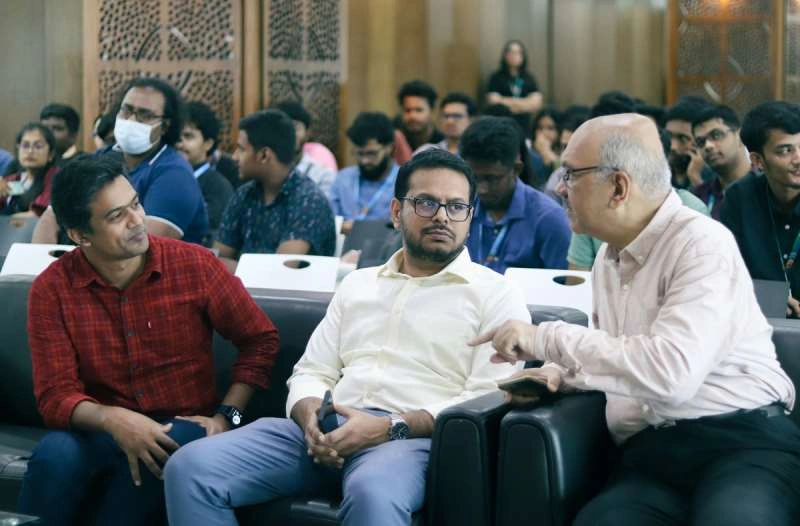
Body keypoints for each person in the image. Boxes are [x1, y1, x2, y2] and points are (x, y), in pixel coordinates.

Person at [163, 149, 530, 526]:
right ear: (396, 211)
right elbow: (312, 370)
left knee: (373, 494)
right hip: (323, 430)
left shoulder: (495, 294)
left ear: (470, 217)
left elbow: (487, 395)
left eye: (456, 206)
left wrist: (391, 426)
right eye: (426, 202)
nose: (441, 216)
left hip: (407, 441)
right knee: (190, 467)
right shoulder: (359, 284)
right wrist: (309, 417)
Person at [474, 113, 800, 526]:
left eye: (571, 175)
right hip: (651, 456)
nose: (559, 187)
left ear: (619, 187)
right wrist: (560, 374)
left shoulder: (700, 243)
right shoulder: (609, 257)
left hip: (743, 442)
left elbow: (671, 372)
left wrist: (545, 338)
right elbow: (623, 351)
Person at [18, 155, 279, 526]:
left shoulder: (194, 265)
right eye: (116, 216)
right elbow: (55, 397)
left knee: (158, 452)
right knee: (55, 454)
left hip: (182, 424)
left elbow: (261, 341)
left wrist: (227, 418)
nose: (137, 220)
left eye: (136, 204)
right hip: (101, 427)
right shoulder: (52, 289)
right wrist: (114, 419)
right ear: (79, 235)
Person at [33, 77, 209, 245]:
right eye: (127, 110)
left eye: (145, 114)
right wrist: (46, 262)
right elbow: (50, 218)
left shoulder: (175, 175)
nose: (131, 120)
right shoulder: (99, 159)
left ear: (165, 126)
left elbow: (142, 245)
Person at [214, 110, 336, 271]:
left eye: (241, 149)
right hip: (240, 285)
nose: (234, 157)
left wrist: (225, 267)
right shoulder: (244, 194)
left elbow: (280, 272)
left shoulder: (309, 200)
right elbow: (217, 257)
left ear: (264, 155)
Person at [461, 116, 571, 273]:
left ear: (516, 169)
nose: (481, 189)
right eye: (474, 178)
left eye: (492, 179)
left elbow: (563, 285)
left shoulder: (549, 220)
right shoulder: (459, 211)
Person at [721, 100, 800, 319]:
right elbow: (722, 273)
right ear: (757, 160)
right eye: (786, 150)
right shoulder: (739, 199)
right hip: (758, 323)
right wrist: (767, 297)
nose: (798, 159)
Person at [330, 112, 399, 234]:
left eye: (371, 153)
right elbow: (329, 222)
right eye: (359, 153)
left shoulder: (403, 181)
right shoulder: (343, 179)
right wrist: (341, 226)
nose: (364, 161)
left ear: (389, 148)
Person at [177, 101, 234, 238]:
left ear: (208, 144)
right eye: (176, 136)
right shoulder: (164, 177)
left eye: (188, 136)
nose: (179, 144)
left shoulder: (218, 186)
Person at [691, 104, 752, 219]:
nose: (708, 146)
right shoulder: (699, 197)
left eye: (716, 135)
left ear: (740, 136)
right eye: (700, 142)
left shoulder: (769, 187)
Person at [273, 101, 337, 196]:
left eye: (295, 127)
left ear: (307, 133)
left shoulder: (323, 175)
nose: (289, 134)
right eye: (282, 128)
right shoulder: (262, 173)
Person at [0, 122, 58, 216]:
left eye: (38, 146)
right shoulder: (12, 179)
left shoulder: (57, 178)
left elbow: (38, 213)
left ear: (51, 154)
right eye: (25, 146)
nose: (30, 151)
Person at [486, 40, 542, 134]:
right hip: (500, 125)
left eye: (518, 53)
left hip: (524, 126)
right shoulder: (496, 77)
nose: (514, 56)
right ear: (505, 55)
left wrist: (505, 101)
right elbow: (493, 101)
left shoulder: (529, 78)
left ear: (523, 56)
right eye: (511, 52)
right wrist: (525, 103)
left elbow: (536, 103)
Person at [663, 96, 713, 189]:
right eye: (669, 136)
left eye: (683, 138)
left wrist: (695, 177)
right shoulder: (658, 172)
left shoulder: (716, 176)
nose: (673, 146)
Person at [396, 80, 445, 151]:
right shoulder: (396, 144)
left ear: (432, 111)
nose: (412, 116)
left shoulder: (443, 146)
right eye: (408, 110)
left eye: (419, 110)